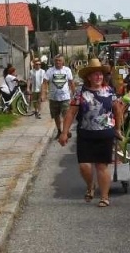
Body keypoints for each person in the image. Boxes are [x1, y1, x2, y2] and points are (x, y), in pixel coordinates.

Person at [59, 58, 125, 206]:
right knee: (84, 166)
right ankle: (90, 185)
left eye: (100, 74)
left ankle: (104, 197)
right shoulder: (80, 92)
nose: (99, 77)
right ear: (88, 77)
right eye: (95, 74)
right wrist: (64, 132)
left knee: (102, 166)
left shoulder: (109, 91)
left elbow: (117, 110)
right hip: (85, 134)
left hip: (105, 133)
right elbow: (71, 113)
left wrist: (118, 129)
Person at [46, 53, 74, 135]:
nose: (58, 62)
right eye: (56, 60)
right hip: (53, 98)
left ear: (63, 62)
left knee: (66, 115)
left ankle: (66, 130)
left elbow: (71, 82)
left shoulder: (67, 70)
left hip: (65, 97)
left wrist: (75, 94)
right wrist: (43, 94)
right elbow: (44, 82)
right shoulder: (50, 71)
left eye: (59, 60)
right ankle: (59, 130)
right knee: (56, 116)